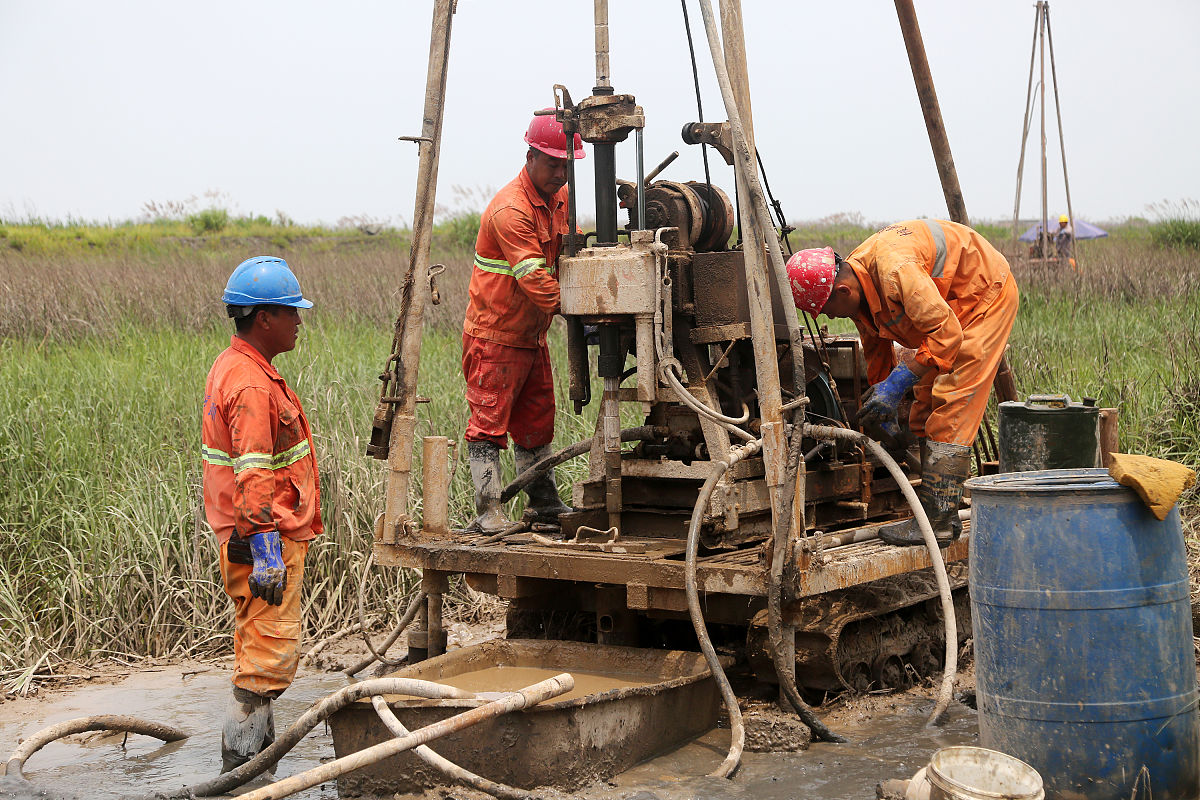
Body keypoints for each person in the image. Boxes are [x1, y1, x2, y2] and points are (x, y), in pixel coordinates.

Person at [786, 220, 1019, 547]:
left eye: (827, 311)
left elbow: (948, 336)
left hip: (982, 295)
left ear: (842, 291)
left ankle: (937, 521)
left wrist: (898, 383)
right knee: (923, 404)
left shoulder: (896, 273)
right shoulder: (856, 279)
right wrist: (885, 402)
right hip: (944, 305)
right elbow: (875, 343)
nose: (829, 319)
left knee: (951, 400)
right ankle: (944, 510)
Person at [202, 256, 322, 771]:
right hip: (260, 536)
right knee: (265, 659)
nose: (299, 321)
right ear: (263, 317)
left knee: (259, 648)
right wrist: (267, 547)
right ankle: (243, 774)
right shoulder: (250, 385)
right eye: (291, 312)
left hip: (250, 532)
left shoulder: (240, 366)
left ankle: (255, 767)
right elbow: (253, 473)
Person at [461, 112, 581, 533]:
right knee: (488, 426)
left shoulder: (560, 199)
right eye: (552, 163)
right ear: (530, 156)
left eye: (566, 165)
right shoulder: (510, 210)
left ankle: (543, 505)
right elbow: (535, 280)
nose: (560, 173)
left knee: (535, 423)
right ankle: (489, 512)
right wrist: (582, 309)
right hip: (495, 336)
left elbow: (573, 251)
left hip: (532, 337)